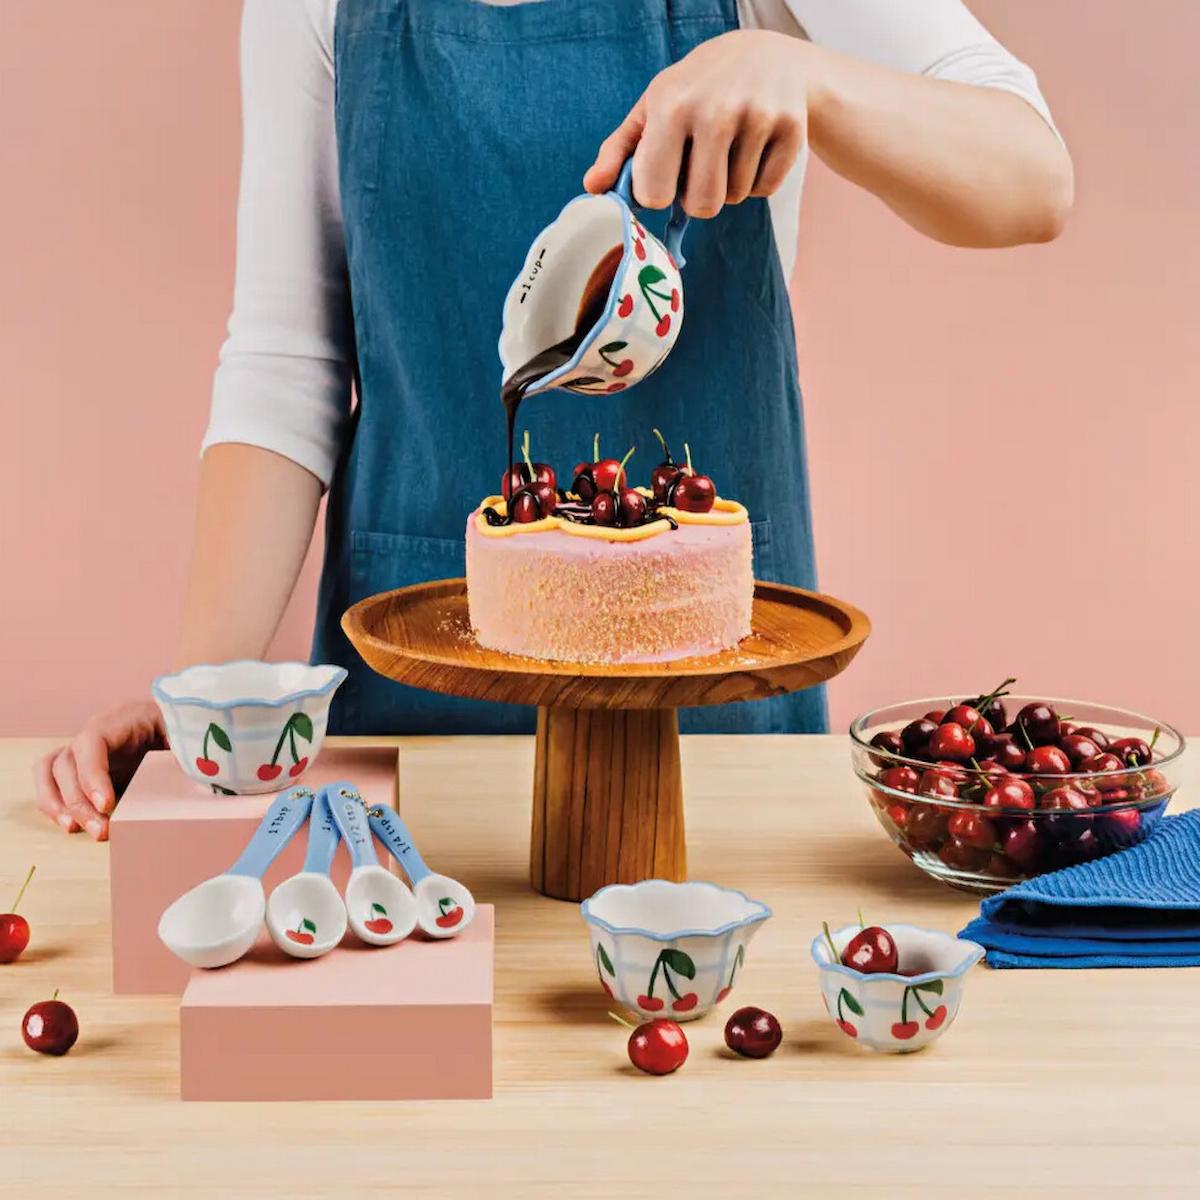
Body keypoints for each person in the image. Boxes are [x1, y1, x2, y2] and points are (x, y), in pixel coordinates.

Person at [35, 0, 1072, 838]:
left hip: (712, 728)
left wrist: (802, 74)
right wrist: (205, 706)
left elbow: (1032, 176)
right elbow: (285, 364)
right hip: (420, 738)